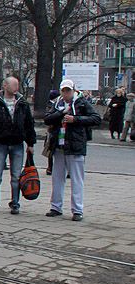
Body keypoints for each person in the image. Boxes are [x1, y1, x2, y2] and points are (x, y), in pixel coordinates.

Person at [44, 79, 101, 221]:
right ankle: (56, 207)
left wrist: (75, 119)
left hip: (75, 145)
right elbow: (47, 119)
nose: (66, 93)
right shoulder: (57, 103)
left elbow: (96, 118)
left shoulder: (81, 102)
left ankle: (77, 210)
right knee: (57, 177)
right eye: (63, 91)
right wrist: (61, 113)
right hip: (59, 144)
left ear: (73, 90)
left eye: (68, 90)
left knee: (77, 179)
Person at [0, 76, 36, 215]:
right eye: (13, 85)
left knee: (16, 177)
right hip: (0, 143)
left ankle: (15, 203)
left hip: (17, 143)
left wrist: (30, 143)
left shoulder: (22, 103)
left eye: (17, 85)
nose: (16, 87)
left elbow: (29, 124)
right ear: (5, 86)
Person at [43, 89, 60, 175]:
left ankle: (51, 167)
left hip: (52, 129)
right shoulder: (52, 105)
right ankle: (50, 167)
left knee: (52, 148)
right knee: (50, 149)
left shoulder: (50, 105)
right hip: (51, 130)